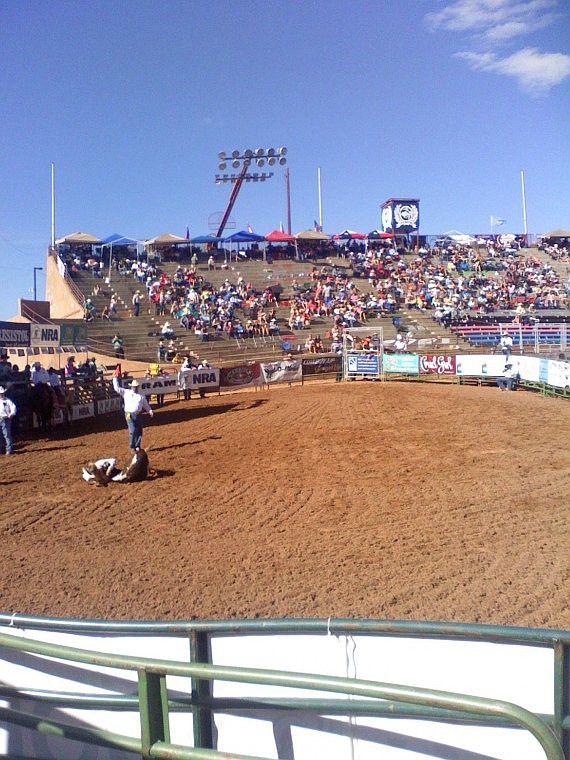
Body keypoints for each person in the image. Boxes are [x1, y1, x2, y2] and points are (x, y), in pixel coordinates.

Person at [112, 371, 154, 451]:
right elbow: (117, 388)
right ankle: (132, 446)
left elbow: (145, 404)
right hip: (129, 414)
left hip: (138, 414)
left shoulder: (141, 395)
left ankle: (137, 445)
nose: (135, 388)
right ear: (131, 387)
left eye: (136, 387)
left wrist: (150, 410)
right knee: (133, 430)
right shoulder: (126, 392)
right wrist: (114, 379)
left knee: (139, 430)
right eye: (134, 387)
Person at [0, 385, 17, 456]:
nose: (1, 395)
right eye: (0, 394)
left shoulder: (8, 400)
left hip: (5, 419)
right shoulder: (7, 400)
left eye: (2, 393)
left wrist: (11, 414)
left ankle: (8, 449)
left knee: (6, 435)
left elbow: (14, 408)